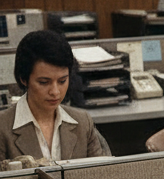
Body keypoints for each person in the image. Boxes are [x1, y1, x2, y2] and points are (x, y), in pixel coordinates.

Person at [0, 30, 110, 162]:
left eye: (62, 81)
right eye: (44, 82)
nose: (55, 92)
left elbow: (102, 172)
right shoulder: (3, 127)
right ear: (24, 79)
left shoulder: (83, 122)